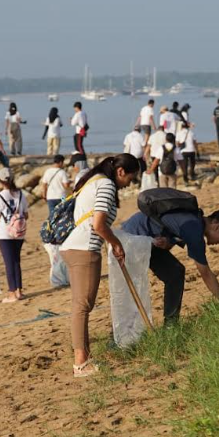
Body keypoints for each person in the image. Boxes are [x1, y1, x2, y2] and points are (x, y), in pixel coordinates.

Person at [59, 154, 141, 377]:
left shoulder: (93, 180)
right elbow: (98, 224)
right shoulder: (105, 185)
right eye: (131, 179)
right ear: (121, 172)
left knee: (81, 305)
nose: (129, 185)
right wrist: (116, 244)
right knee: (82, 305)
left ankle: (84, 357)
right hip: (84, 248)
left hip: (74, 246)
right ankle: (81, 363)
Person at [121, 203, 219, 324]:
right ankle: (117, 337)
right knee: (132, 288)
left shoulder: (196, 219)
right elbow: (206, 273)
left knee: (175, 272)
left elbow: (170, 230)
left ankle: (171, 325)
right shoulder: (195, 229)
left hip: (145, 238)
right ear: (217, 226)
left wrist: (168, 242)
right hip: (133, 237)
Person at [0, 168, 29, 303]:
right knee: (16, 261)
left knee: (9, 263)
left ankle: (12, 293)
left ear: (0, 180)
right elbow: (26, 215)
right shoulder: (21, 194)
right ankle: (19, 291)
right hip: (19, 232)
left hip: (5, 233)